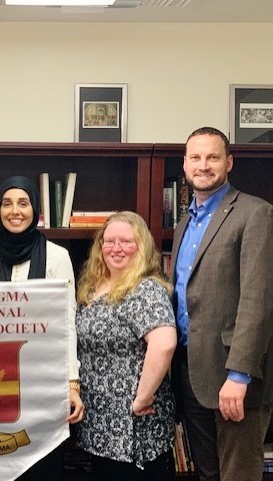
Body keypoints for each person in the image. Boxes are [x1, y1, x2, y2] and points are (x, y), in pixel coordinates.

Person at [170, 127, 273, 481]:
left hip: (233, 376)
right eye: (195, 158)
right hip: (190, 372)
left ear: (228, 162)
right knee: (208, 474)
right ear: (184, 164)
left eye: (212, 157)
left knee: (238, 475)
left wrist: (239, 374)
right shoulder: (184, 223)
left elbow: (259, 300)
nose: (203, 166)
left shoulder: (254, 214)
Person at [0, 175, 84, 481]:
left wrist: (72, 383)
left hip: (42, 377)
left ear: (35, 209)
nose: (15, 211)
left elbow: (66, 322)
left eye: (23, 203)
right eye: (7, 204)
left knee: (40, 465)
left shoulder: (57, 256)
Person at [75, 211, 176, 481]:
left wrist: (142, 398)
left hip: (131, 430)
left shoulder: (145, 290)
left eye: (126, 242)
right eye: (109, 241)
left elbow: (164, 344)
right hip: (98, 426)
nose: (116, 248)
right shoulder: (92, 287)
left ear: (141, 247)